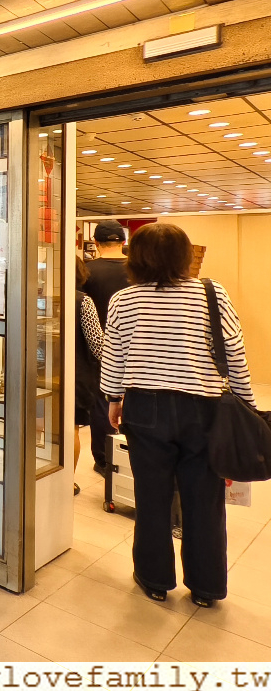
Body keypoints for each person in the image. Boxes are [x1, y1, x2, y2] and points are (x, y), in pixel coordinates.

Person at [101, 223, 256, 609]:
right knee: (204, 500)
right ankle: (206, 587)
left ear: (135, 258)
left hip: (144, 407)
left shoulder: (125, 299)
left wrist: (113, 398)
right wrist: (247, 406)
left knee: (151, 496)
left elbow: (114, 354)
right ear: (185, 256)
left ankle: (154, 579)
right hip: (202, 408)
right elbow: (234, 352)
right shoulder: (212, 293)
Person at [83, 219, 129, 472]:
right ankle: (131, 455)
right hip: (134, 347)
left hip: (98, 348)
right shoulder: (138, 270)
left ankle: (105, 460)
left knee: (102, 404)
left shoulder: (87, 271)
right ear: (123, 241)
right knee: (134, 400)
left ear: (96, 242)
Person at [73, 257, 105, 496]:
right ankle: (66, 481)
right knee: (70, 429)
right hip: (76, 375)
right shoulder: (83, 301)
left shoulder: (38, 298)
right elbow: (97, 345)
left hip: (39, 372)